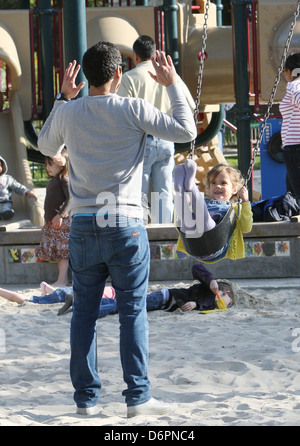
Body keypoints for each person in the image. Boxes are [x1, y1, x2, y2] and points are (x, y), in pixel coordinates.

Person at [37, 42, 197, 418]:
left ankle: (86, 400)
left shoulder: (71, 112)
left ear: (85, 77)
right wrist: (172, 83)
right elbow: (185, 130)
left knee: (84, 314)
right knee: (131, 312)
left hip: (84, 223)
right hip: (124, 222)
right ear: (117, 75)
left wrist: (62, 97)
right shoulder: (132, 108)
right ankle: (138, 397)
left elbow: (45, 144)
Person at [118, 35, 195, 223]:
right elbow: (190, 105)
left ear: (135, 56)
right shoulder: (169, 77)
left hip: (142, 141)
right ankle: (164, 231)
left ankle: (141, 229)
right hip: (167, 140)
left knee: (139, 191)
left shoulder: (129, 78)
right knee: (164, 191)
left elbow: (121, 112)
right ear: (154, 54)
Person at [175, 161, 253, 262]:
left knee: (202, 213)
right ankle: (180, 191)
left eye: (223, 183)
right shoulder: (204, 203)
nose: (218, 186)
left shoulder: (235, 209)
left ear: (234, 189)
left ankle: (191, 187)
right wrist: (187, 201)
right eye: (213, 183)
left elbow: (246, 228)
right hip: (193, 247)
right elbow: (178, 225)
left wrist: (245, 202)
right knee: (186, 217)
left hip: (215, 246)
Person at [38, 151, 70, 287]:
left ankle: (62, 279)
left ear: (62, 165)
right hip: (53, 222)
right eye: (46, 165)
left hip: (61, 222)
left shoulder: (64, 179)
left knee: (62, 252)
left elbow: (70, 198)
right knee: (58, 252)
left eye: (51, 164)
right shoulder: (53, 180)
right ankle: (61, 279)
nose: (47, 168)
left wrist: (60, 215)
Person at [279, 53, 300, 206]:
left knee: (296, 192)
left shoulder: (295, 85)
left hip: (295, 147)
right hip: (293, 146)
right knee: (292, 190)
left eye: (284, 70)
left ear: (289, 71)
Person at [0, 156, 37, 220]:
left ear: (3, 166)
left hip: (5, 202)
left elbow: (18, 186)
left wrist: (26, 192)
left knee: (6, 209)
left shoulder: (7, 179)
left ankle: (5, 215)